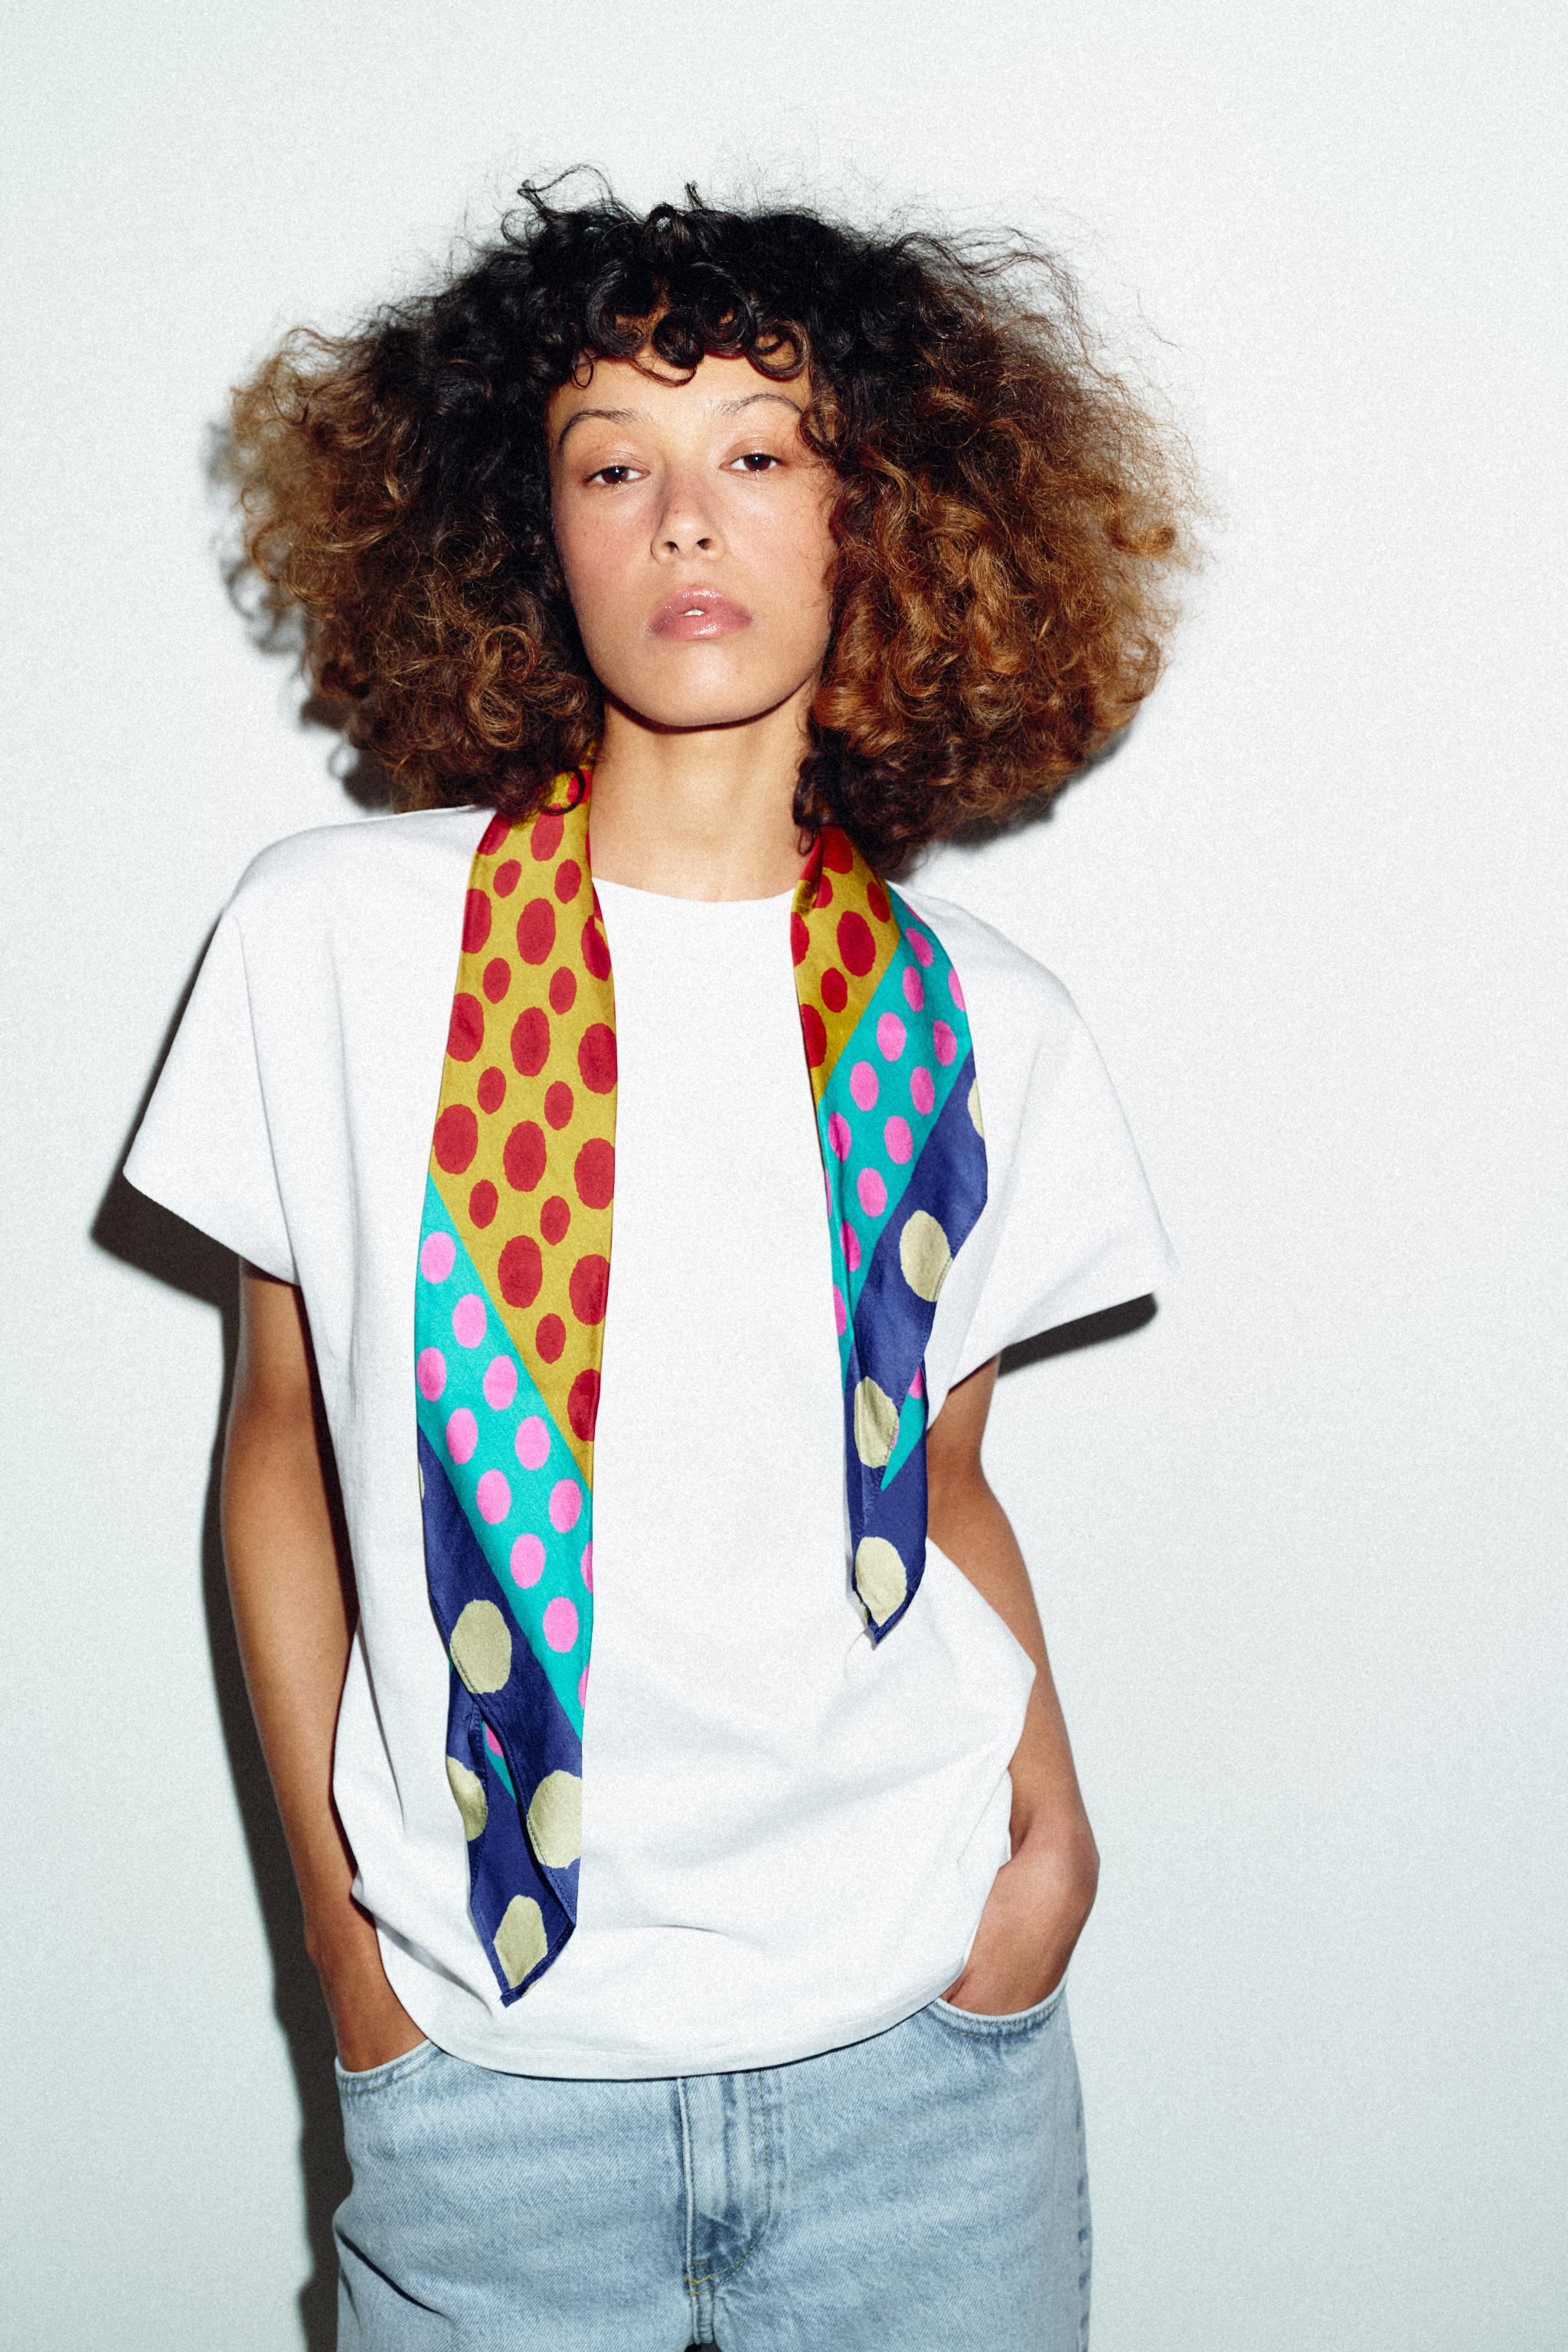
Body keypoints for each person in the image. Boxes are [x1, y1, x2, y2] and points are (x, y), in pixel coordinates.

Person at [124, 176, 1195, 2351]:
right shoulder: (332, 942)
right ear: (533, 534)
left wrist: (1053, 1856)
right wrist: (348, 1967)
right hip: (490, 2099)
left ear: (878, 522)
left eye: (760, 454)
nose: (686, 517)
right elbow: (279, 1451)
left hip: (925, 2078)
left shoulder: (981, 1028)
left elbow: (941, 1486)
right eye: (613, 464)